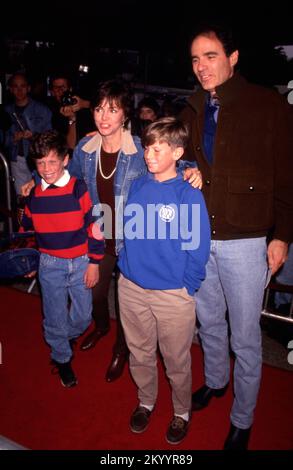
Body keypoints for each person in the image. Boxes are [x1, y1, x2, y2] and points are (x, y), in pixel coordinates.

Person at [22, 79, 202, 383]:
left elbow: (168, 159)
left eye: (113, 110)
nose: (104, 116)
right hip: (97, 235)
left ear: (124, 115)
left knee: (127, 302)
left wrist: (189, 168)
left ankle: (122, 348)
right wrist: (35, 182)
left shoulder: (138, 150)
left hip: (133, 239)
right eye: (100, 109)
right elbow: (64, 176)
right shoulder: (85, 147)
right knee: (94, 295)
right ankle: (102, 326)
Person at [180, 24, 293, 449]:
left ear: (233, 57)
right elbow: (188, 164)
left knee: (245, 337)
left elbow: (286, 175)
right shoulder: (192, 106)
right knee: (208, 322)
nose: (201, 66)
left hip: (246, 241)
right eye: (195, 58)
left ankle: (243, 418)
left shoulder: (268, 105)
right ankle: (215, 381)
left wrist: (282, 234)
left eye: (210, 55)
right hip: (200, 235)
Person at [118, 117, 210, 444]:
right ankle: (146, 401)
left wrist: (187, 284)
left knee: (176, 360)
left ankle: (182, 411)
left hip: (173, 293)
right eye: (147, 147)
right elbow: (130, 231)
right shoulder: (138, 184)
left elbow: (198, 247)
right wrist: (125, 265)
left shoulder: (188, 193)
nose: (149, 154)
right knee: (140, 351)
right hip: (131, 287)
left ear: (177, 153)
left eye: (158, 149)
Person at [20, 130, 104, 387]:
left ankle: (61, 337)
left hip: (80, 261)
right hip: (49, 264)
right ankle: (62, 357)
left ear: (65, 160)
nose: (46, 169)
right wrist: (28, 261)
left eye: (52, 161)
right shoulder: (33, 195)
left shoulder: (79, 189)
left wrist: (94, 262)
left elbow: (95, 225)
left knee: (83, 316)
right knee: (54, 316)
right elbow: (27, 229)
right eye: (40, 163)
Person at [4, 73, 52, 198]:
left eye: (23, 86)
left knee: (42, 195)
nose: (19, 90)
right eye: (15, 86)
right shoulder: (6, 112)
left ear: (28, 88)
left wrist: (34, 137)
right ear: (10, 88)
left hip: (39, 159)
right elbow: (3, 140)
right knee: (22, 196)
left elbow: (51, 138)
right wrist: (13, 138)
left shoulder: (42, 110)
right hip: (17, 160)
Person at [47, 73, 95, 150]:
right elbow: (70, 146)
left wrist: (84, 104)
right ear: (52, 92)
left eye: (63, 87)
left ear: (70, 89)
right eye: (56, 87)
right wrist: (72, 118)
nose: (60, 90)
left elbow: (104, 107)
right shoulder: (54, 114)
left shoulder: (81, 102)